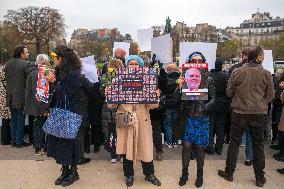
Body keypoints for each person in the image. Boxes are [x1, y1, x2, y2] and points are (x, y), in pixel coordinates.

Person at [218, 46, 275, 187]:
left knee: (234, 143)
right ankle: (260, 178)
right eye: (262, 55)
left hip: (239, 113)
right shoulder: (266, 74)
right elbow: (271, 96)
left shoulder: (237, 71)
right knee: (258, 146)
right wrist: (260, 102)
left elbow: (229, 92)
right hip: (258, 114)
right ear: (259, 57)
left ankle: (229, 173)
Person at [106, 55, 161, 187]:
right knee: (127, 149)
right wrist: (108, 94)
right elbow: (112, 105)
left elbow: (153, 106)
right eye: (130, 63)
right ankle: (129, 175)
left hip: (142, 120)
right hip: (126, 120)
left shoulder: (147, 81)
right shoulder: (118, 81)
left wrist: (155, 97)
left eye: (136, 64)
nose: (133, 66)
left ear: (140, 67)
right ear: (126, 66)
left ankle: (149, 174)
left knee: (145, 148)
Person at [45, 45, 82, 187]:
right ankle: (65, 170)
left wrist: (54, 82)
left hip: (70, 112)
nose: (54, 60)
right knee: (60, 142)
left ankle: (73, 172)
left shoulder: (73, 73)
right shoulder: (61, 70)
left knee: (68, 143)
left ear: (61, 58)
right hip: (59, 111)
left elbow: (67, 94)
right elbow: (56, 92)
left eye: (55, 58)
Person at [177, 52, 213, 188]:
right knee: (186, 146)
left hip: (202, 118)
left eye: (199, 60)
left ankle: (200, 174)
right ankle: (184, 173)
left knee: (199, 148)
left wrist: (205, 107)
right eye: (193, 60)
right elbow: (177, 100)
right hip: (188, 117)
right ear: (189, 62)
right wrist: (180, 88)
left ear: (203, 62)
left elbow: (215, 98)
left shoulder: (208, 79)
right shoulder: (186, 78)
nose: (197, 62)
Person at [5, 45, 33, 147]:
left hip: (10, 96)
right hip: (20, 96)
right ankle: (19, 141)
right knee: (20, 119)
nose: (28, 54)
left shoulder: (8, 64)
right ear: (21, 54)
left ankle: (14, 140)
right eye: (26, 52)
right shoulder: (25, 64)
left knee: (14, 119)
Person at [24, 54, 50, 155]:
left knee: (38, 125)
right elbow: (38, 92)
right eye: (46, 62)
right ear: (42, 62)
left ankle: (39, 146)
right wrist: (43, 107)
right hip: (38, 105)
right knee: (39, 125)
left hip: (36, 104)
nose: (48, 64)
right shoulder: (37, 73)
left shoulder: (35, 72)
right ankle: (38, 147)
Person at [207, 58, 230, 155]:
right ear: (221, 65)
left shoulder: (209, 75)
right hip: (223, 104)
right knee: (220, 126)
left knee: (210, 126)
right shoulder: (226, 76)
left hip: (211, 103)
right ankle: (219, 148)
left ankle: (210, 147)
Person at [163, 63, 181, 148]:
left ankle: (169, 142)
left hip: (168, 105)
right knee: (176, 124)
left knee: (168, 124)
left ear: (169, 70)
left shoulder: (165, 79)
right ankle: (175, 141)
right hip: (177, 105)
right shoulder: (181, 79)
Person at [0, 64, 11, 145]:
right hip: (6, 102)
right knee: (7, 121)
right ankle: (6, 139)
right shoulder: (6, 82)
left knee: (4, 120)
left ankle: (4, 139)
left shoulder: (1, 82)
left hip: (2, 103)